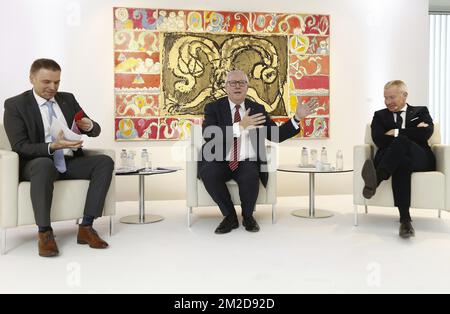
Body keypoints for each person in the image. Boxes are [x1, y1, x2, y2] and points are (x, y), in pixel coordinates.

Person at [3, 59, 114, 257]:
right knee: (45, 164)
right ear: (32, 78)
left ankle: (86, 227)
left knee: (104, 161)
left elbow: (93, 129)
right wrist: (52, 146)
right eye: (46, 82)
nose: (52, 87)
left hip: (69, 162)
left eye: (57, 82)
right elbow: (20, 147)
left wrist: (90, 126)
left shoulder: (67, 99)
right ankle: (45, 233)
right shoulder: (16, 105)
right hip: (36, 164)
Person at [198, 69, 318, 234]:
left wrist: (296, 118)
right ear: (226, 87)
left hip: (246, 159)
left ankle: (248, 217)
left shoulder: (257, 108)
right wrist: (240, 126)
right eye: (233, 83)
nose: (237, 86)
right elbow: (208, 134)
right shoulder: (213, 108)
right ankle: (229, 216)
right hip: (219, 158)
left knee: (250, 174)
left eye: (241, 82)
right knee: (209, 172)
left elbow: (276, 135)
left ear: (247, 86)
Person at [361, 80, 436, 239]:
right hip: (394, 159)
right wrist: (412, 132)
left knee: (401, 141)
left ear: (404, 95)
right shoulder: (379, 115)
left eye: (392, 97)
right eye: (385, 98)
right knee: (402, 162)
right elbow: (379, 140)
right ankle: (405, 221)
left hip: (420, 158)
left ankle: (377, 178)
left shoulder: (421, 111)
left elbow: (426, 134)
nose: (388, 102)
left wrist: (395, 132)